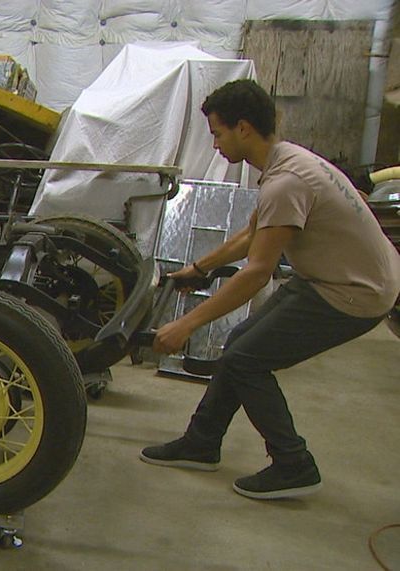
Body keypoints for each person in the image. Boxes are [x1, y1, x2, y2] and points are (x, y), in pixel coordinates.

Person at [140, 79, 400, 500]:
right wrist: (198, 268)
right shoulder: (286, 161)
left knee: (245, 360)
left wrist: (184, 325)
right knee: (241, 344)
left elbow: (256, 272)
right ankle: (202, 442)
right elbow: (251, 235)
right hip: (342, 276)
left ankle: (294, 464)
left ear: (243, 128)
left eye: (218, 133)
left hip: (356, 292)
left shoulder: (286, 182)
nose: (216, 145)